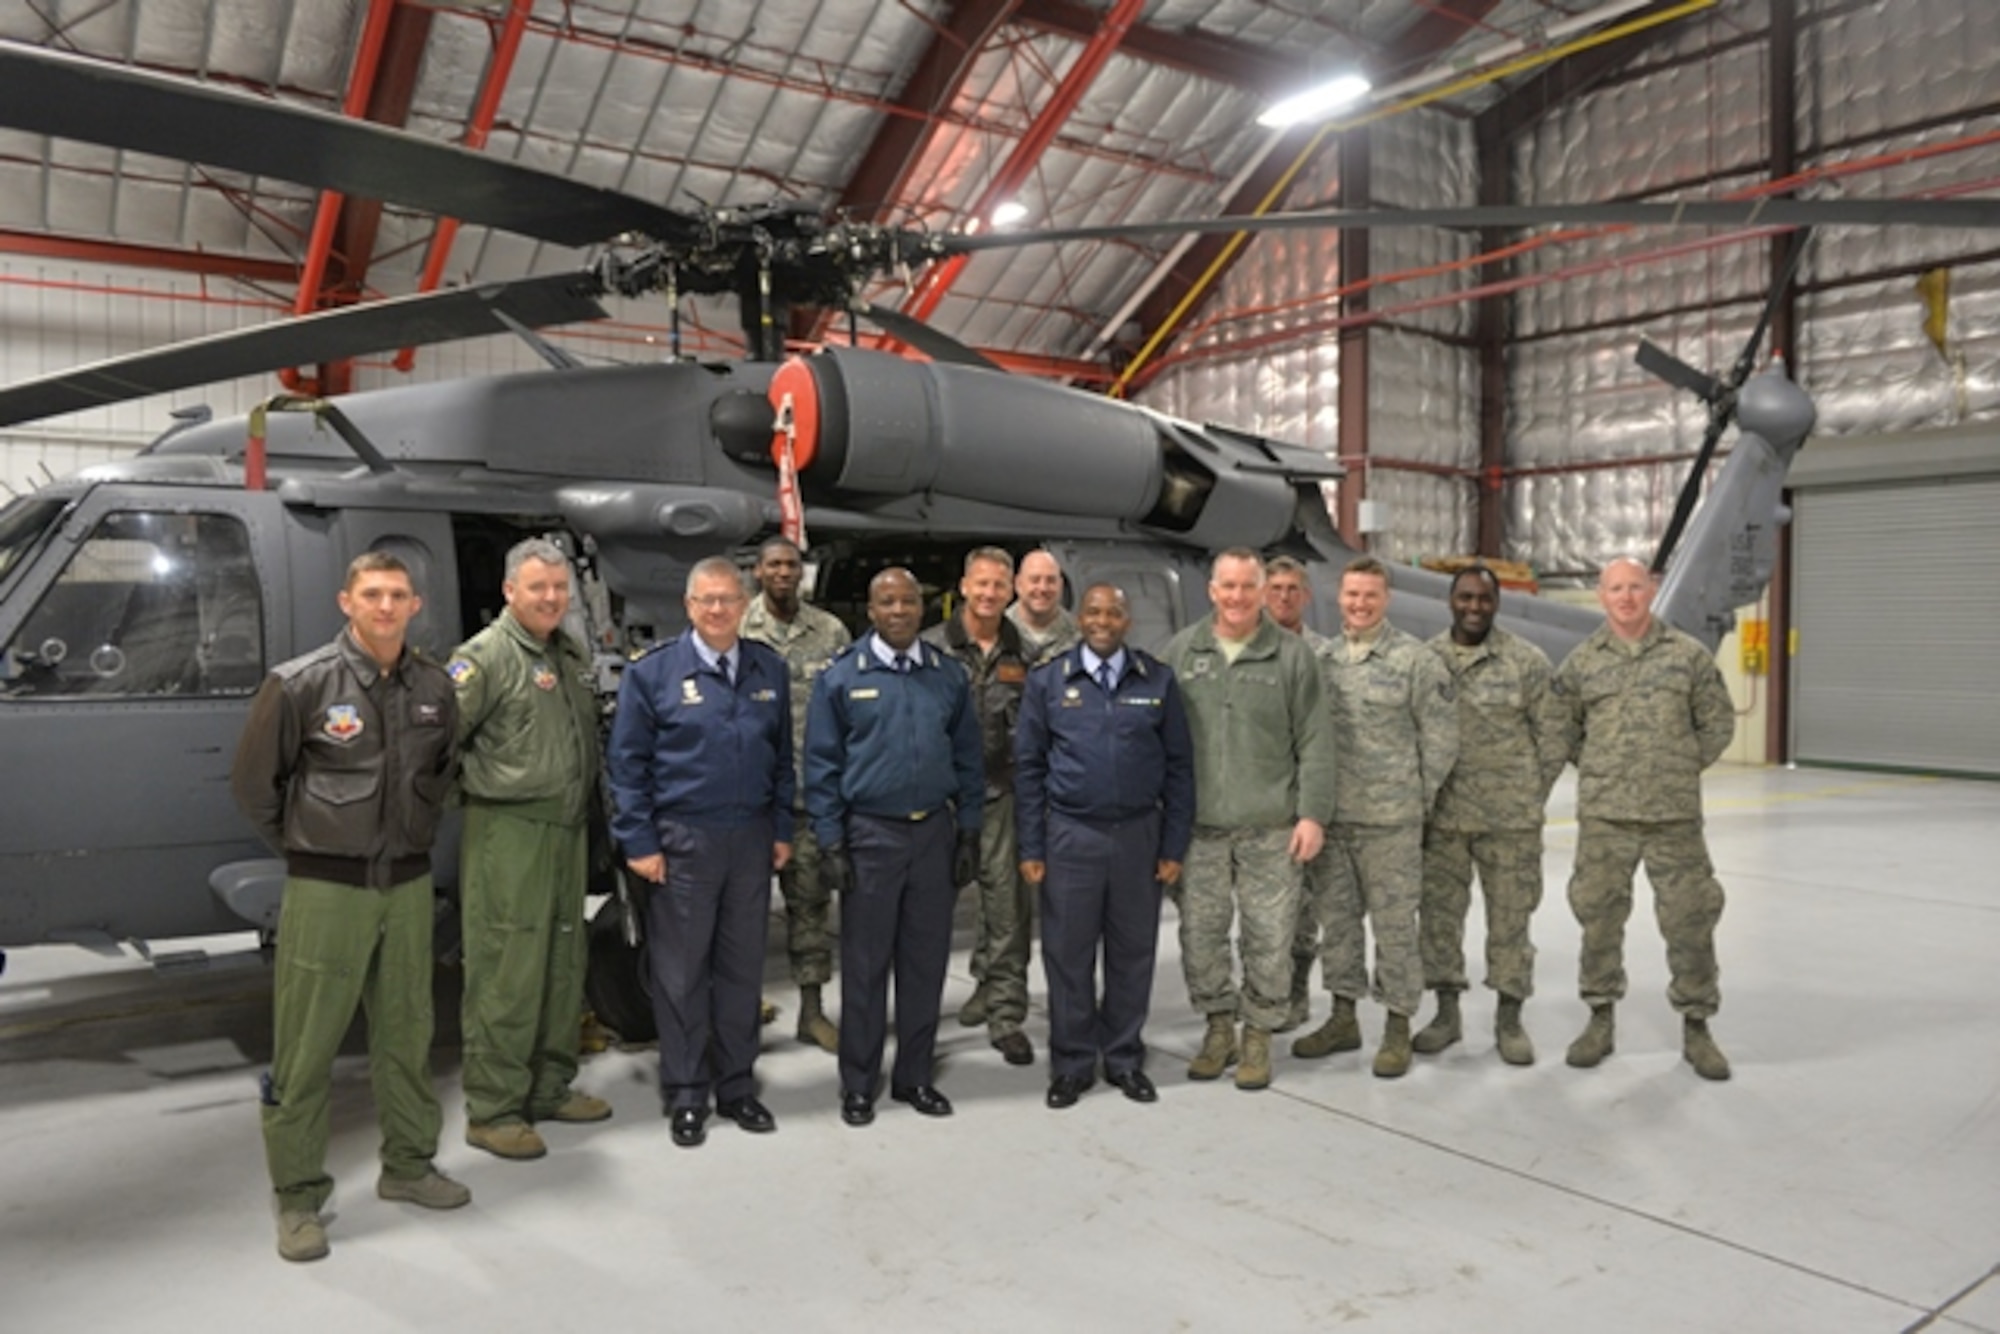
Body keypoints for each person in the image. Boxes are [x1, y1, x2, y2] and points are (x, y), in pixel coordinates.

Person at [230, 552, 465, 1263]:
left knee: (406, 1032)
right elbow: (254, 788)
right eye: (372, 594)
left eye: (398, 594)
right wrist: (312, 848)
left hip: (408, 884)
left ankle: (409, 1166)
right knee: (306, 1046)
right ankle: (298, 1198)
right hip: (327, 890)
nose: (386, 606)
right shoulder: (301, 684)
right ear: (347, 601)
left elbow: (444, 773)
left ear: (415, 605)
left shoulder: (433, 685)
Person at [607, 557, 793, 1148]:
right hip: (682, 844)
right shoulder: (654, 674)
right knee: (682, 975)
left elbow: (782, 761)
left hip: (751, 841)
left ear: (744, 605)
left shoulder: (769, 669)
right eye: (706, 600)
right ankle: (688, 1093)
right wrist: (639, 841)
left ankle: (737, 1086)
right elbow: (626, 766)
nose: (718, 610)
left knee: (742, 973)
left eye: (728, 600)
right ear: (688, 607)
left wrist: (782, 830)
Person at [449, 537, 611, 1162]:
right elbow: (437, 747)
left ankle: (548, 1086)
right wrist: (473, 798)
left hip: (566, 829)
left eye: (559, 588)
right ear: (509, 590)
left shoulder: (564, 653)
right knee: (506, 971)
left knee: (560, 963)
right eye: (537, 587)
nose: (551, 598)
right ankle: (493, 1110)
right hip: (509, 835)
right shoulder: (483, 659)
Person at [805, 567, 984, 1126]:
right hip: (870, 837)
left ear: (922, 607)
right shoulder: (840, 679)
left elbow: (968, 759)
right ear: (872, 610)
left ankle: (914, 1077)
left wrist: (970, 829)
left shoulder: (946, 676)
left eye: (909, 600)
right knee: (864, 966)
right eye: (888, 602)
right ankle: (858, 1084)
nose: (900, 611)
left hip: (932, 833)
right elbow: (821, 766)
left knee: (925, 964)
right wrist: (832, 841)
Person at [1554, 556, 1737, 1080]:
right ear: (1601, 595)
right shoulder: (1584, 662)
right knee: (1598, 918)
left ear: (1651, 590)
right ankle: (1599, 1019)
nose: (1626, 596)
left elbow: (1717, 722)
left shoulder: (1687, 657)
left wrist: (1677, 766)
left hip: (1673, 818)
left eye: (1635, 586)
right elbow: (1562, 727)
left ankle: (1697, 1026)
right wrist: (1601, 766)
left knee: (1691, 919)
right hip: (1606, 817)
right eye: (1616, 588)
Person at [1016, 583, 1195, 1108]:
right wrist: (1032, 845)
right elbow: (1028, 768)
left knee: (1132, 953)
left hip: (1139, 836)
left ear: (1127, 621)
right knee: (1067, 954)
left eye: (1113, 613)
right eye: (1092, 611)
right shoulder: (1048, 683)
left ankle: (1122, 1058)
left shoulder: (1157, 681)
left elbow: (1180, 769)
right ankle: (1072, 1063)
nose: (1102, 620)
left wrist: (1173, 844)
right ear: (1079, 618)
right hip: (1071, 835)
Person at [1163, 548, 1334, 1091]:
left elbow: (1315, 739)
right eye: (1227, 587)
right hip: (1200, 829)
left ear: (1262, 592)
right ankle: (1219, 1028)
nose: (1237, 597)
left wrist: (1312, 814)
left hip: (1271, 827)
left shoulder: (1291, 656)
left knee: (1269, 937)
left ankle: (1258, 1034)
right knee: (1202, 936)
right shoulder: (1182, 652)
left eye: (1246, 587)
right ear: (1211, 591)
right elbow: (1158, 742)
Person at [1293, 556, 1457, 1079]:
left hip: (1391, 823)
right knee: (1337, 925)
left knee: (1394, 929)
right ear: (1337, 599)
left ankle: (1397, 1025)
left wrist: (1414, 797)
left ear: (1385, 600)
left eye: (1369, 596)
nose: (1359, 605)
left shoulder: (1416, 660)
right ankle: (1343, 1017)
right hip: (1334, 820)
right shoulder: (1323, 660)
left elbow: (1441, 740)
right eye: (1351, 595)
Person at [1412, 566, 1566, 1065]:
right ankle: (1446, 1013)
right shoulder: (1426, 661)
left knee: (1510, 922)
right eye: (1465, 598)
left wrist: (1526, 794)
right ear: (1450, 601)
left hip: (1509, 823)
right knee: (1438, 920)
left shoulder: (1526, 661)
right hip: (1443, 821)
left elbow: (1553, 738)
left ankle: (1509, 1018)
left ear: (1496, 604)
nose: (1474, 607)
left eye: (1484, 599)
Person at [924, 547, 1037, 1066]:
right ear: (964, 586)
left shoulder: (1024, 655)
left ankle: (1007, 1016)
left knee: (1007, 913)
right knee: (926, 918)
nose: (990, 594)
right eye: (981, 584)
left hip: (1000, 798)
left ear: (1010, 593)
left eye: (999, 586)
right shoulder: (930, 651)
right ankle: (920, 1021)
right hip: (938, 802)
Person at [738, 535, 851, 1053]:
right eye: (774, 565)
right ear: (758, 572)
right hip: (748, 805)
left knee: (809, 910)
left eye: (792, 564)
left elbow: (851, 713)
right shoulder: (738, 630)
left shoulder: (829, 632)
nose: (784, 572)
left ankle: (811, 1012)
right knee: (739, 915)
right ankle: (738, 1013)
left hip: (807, 800)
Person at [1265, 554, 1329, 1032]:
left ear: (1305, 596)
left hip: (1303, 800)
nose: (1284, 597)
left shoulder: (1323, 655)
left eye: (1293, 589)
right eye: (1276, 588)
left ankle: (1297, 990)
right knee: (1260, 910)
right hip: (1260, 799)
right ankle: (1262, 990)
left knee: (1305, 907)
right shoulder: (1247, 648)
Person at [1006, 548, 1081, 665]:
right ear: (1018, 584)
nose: (1043, 588)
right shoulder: (997, 631)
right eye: (1035, 580)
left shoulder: (1078, 636)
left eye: (1051, 580)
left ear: (1060, 585)